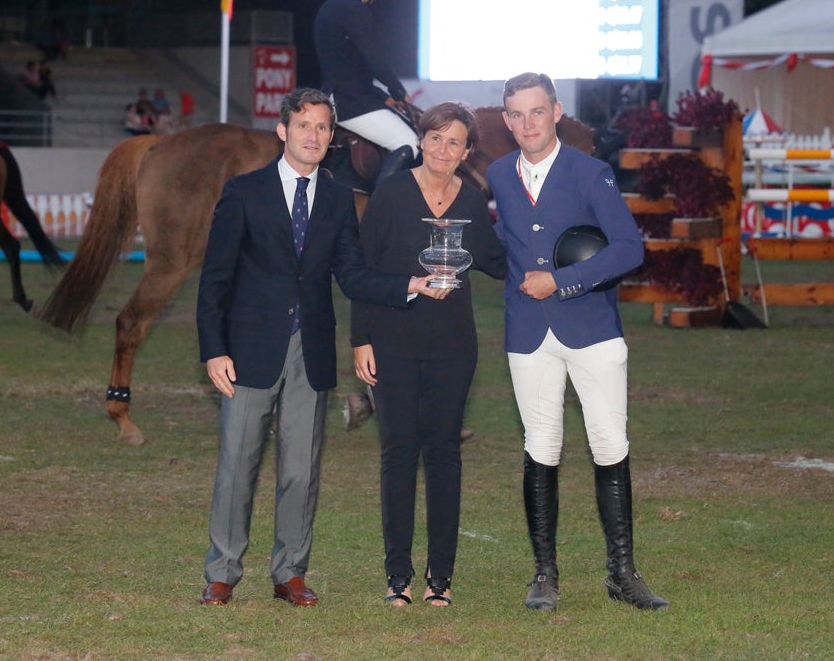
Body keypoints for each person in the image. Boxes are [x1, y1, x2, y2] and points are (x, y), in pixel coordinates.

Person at [195, 86, 451, 607]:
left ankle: (290, 571)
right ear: (283, 130)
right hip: (246, 351)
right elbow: (214, 278)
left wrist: (409, 283)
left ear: (332, 137)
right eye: (304, 125)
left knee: (300, 470)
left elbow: (352, 274)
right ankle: (221, 573)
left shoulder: (336, 198)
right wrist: (214, 348)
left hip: (309, 352)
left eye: (322, 127)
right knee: (236, 464)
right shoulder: (244, 191)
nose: (313, 135)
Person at [487, 72, 668, 612]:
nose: (527, 124)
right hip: (528, 331)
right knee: (540, 446)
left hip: (590, 328)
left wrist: (562, 281)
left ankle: (623, 574)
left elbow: (629, 249)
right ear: (505, 119)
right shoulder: (498, 174)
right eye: (516, 114)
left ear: (557, 111)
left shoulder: (593, 173)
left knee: (609, 444)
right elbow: (506, 243)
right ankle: (544, 574)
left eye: (536, 111)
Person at [351, 102, 505, 607]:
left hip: (454, 346)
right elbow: (363, 272)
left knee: (444, 455)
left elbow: (497, 261)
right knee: (398, 454)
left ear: (467, 151)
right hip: (393, 340)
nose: (443, 149)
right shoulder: (392, 192)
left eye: (454, 141)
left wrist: (545, 235)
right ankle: (398, 577)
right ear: (422, 140)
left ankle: (442, 578)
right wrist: (362, 339)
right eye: (436, 138)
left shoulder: (473, 199)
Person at [313, 0, 418, 187]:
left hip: (343, 95)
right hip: (347, 102)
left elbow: (352, 67)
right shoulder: (353, 8)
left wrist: (382, 98)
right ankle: (379, 211)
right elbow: (375, 59)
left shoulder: (330, 6)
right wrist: (398, 91)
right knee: (409, 142)